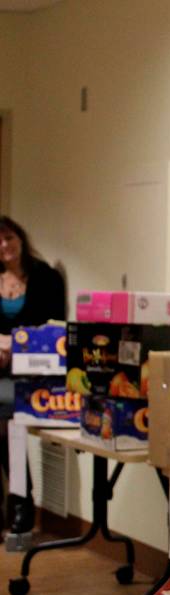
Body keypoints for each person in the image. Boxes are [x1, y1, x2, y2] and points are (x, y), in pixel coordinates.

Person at [0, 215, 67, 533]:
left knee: (5, 414)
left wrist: (15, 343)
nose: (4, 245)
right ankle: (16, 502)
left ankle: (20, 502)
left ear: (21, 239)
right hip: (1, 367)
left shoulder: (46, 277)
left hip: (35, 372)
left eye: (9, 238)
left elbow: (54, 330)